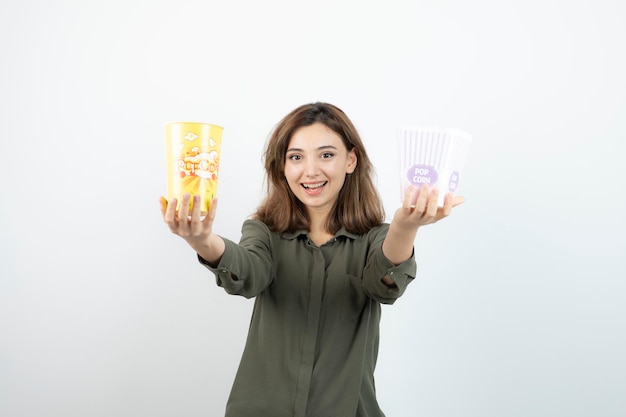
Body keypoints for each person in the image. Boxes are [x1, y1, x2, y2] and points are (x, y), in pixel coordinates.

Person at [160, 102, 464, 417]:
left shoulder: (376, 239)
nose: (311, 170)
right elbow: (248, 272)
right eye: (296, 157)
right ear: (282, 167)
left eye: (326, 154)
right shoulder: (264, 231)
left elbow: (384, 284)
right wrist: (202, 240)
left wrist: (405, 226)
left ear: (350, 160)